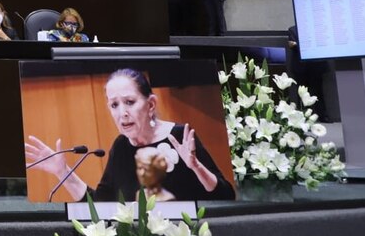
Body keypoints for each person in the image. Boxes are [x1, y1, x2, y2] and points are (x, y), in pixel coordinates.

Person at [24, 68, 234, 202]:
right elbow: (101, 206)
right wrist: (63, 172)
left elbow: (225, 196)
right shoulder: (121, 146)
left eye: (130, 102)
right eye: (114, 105)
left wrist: (196, 167)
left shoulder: (180, 136)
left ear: (150, 104)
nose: (122, 113)